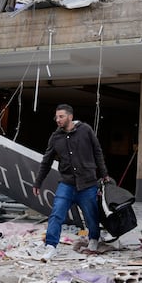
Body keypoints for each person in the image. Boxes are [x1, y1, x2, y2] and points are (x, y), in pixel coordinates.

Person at [32, 104, 109, 260]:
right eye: (57, 117)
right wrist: (38, 182)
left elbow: (97, 152)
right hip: (66, 184)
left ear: (70, 117)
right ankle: (51, 246)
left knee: (91, 215)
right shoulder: (55, 137)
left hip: (87, 183)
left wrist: (104, 174)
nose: (58, 120)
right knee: (56, 214)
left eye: (61, 116)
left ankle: (93, 239)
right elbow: (46, 162)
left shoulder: (85, 130)